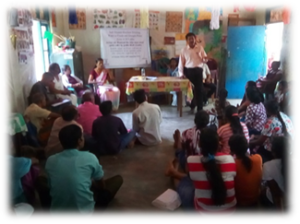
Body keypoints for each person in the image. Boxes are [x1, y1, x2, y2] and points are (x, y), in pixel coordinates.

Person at [44, 125, 123, 220]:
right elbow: (101, 185)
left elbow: (50, 185)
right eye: (82, 137)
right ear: (79, 141)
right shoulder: (90, 157)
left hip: (57, 215)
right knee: (117, 180)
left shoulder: (50, 160)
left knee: (42, 180)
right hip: (85, 214)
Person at [165, 128, 236, 220]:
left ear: (199, 144)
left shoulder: (192, 160)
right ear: (219, 144)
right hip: (229, 213)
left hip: (203, 215)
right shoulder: (230, 159)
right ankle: (174, 170)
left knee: (186, 182)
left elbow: (190, 178)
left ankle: (174, 172)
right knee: (197, 179)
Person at [261, 136, 297, 218]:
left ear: (273, 151)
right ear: (290, 150)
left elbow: (276, 195)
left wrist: (280, 217)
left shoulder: (267, 166)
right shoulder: (297, 163)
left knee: (262, 190)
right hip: (294, 204)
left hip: (279, 206)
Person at [3, 133, 39, 206]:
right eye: (11, 141)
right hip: (15, 202)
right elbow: (34, 160)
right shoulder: (16, 163)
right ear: (9, 144)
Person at [228, 134, 262, 207]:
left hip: (239, 201)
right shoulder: (258, 158)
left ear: (232, 150)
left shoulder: (232, 163)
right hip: (255, 199)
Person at [178, 33, 208, 112]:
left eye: (192, 38)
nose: (191, 40)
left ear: (195, 39)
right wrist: (181, 74)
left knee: (199, 89)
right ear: (187, 41)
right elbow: (181, 63)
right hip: (188, 71)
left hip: (198, 70)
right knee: (190, 90)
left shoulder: (200, 48)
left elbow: (205, 60)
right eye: (189, 39)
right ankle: (192, 105)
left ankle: (200, 108)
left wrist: (201, 56)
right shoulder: (184, 50)